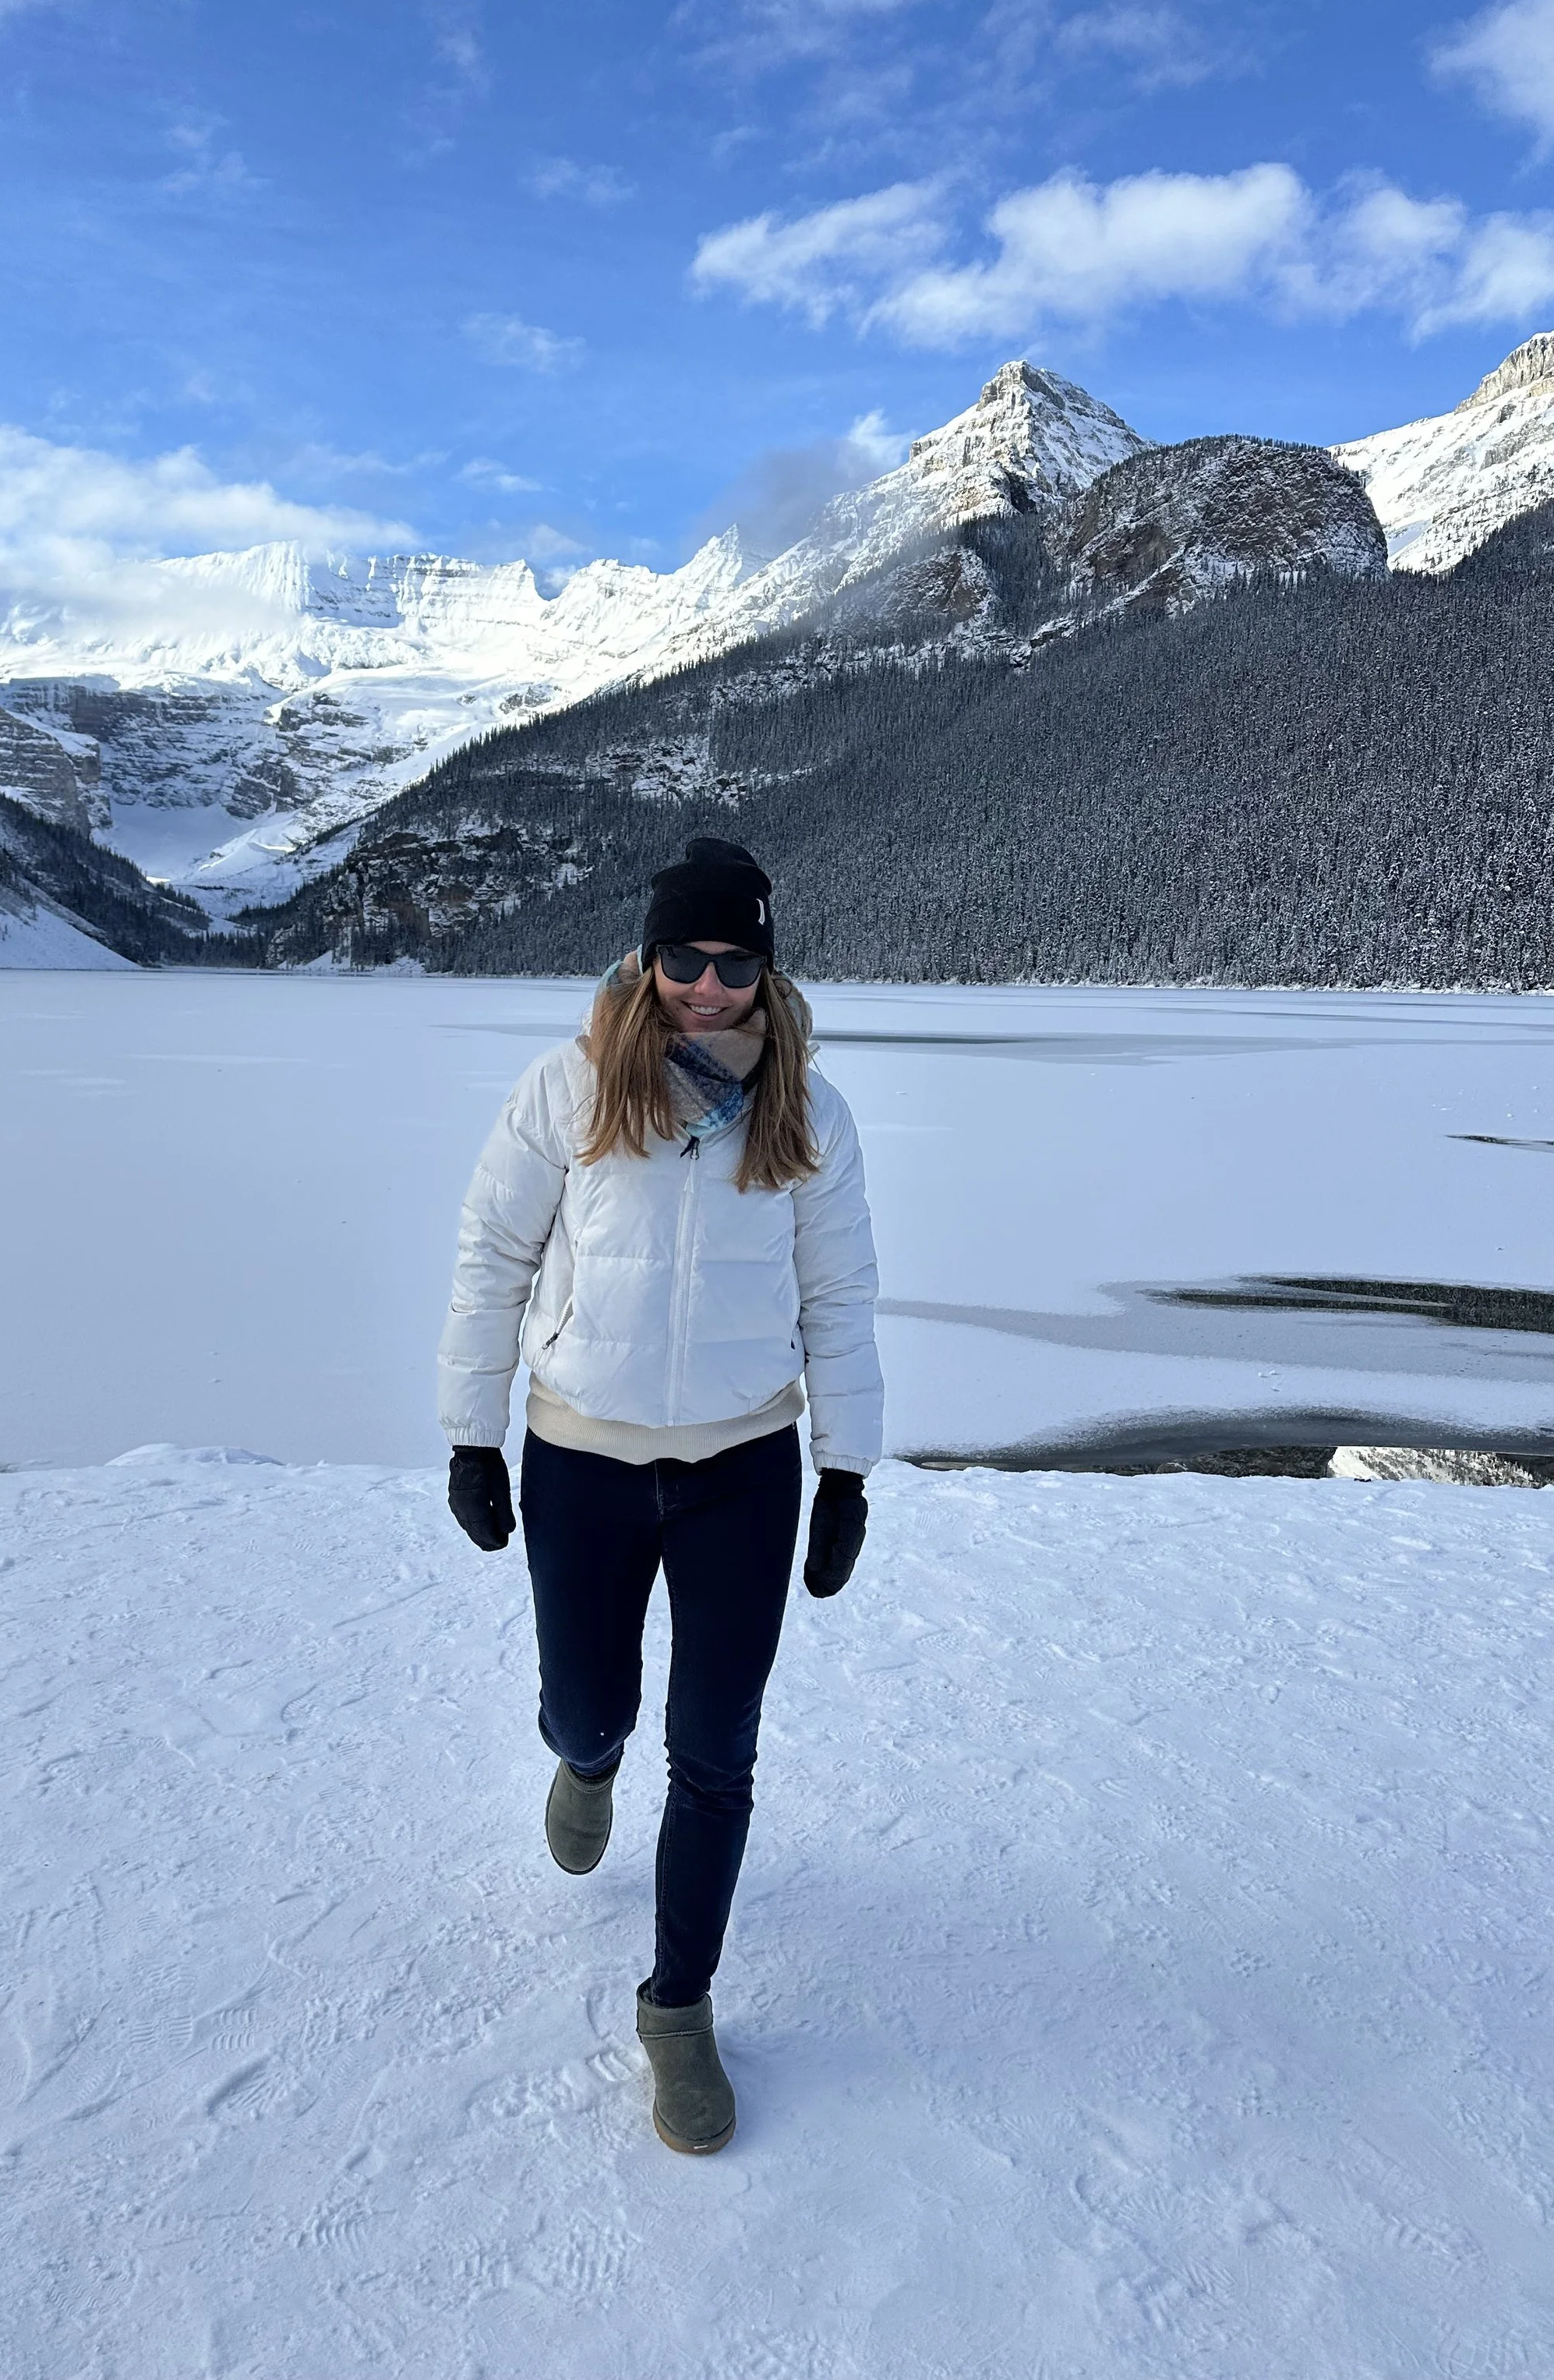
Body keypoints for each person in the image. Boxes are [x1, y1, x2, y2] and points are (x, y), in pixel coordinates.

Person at [437, 836, 883, 2155]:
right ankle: (583, 1761)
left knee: (719, 1745)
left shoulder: (811, 1114)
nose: (705, 986)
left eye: (732, 963)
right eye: (682, 958)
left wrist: (846, 1471)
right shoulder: (570, 1088)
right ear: (647, 958)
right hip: (581, 1455)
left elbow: (841, 1300)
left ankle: (676, 2007)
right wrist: (473, 1436)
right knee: (593, 1702)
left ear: (764, 967)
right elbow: (492, 1257)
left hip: (742, 1466)